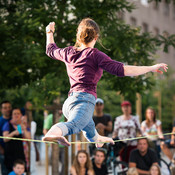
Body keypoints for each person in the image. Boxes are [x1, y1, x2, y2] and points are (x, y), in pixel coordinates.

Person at [43, 18, 168, 147]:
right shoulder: (95, 55)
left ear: (78, 35)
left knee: (88, 124)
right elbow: (124, 70)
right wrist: (151, 68)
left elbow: (50, 50)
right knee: (75, 124)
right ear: (96, 37)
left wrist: (49, 32)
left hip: (68, 104)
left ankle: (96, 138)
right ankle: (54, 132)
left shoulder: (69, 52)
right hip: (84, 100)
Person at [2, 108, 31, 172]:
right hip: (10, 155)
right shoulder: (7, 124)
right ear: (11, 115)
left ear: (21, 115)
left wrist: (24, 129)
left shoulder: (25, 125)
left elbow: (29, 139)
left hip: (22, 154)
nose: (16, 115)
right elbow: (5, 139)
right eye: (14, 114)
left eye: (18, 113)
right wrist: (13, 133)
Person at [43, 110, 65, 175]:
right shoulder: (50, 117)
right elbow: (45, 130)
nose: (60, 111)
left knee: (65, 162)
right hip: (54, 144)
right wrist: (49, 141)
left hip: (63, 144)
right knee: (55, 164)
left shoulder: (65, 116)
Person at [0, 101, 12, 175]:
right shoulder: (0, 121)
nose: (7, 109)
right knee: (5, 172)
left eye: (9, 107)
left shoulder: (14, 119)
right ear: (1, 110)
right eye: (5, 108)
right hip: (3, 152)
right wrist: (1, 149)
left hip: (14, 152)